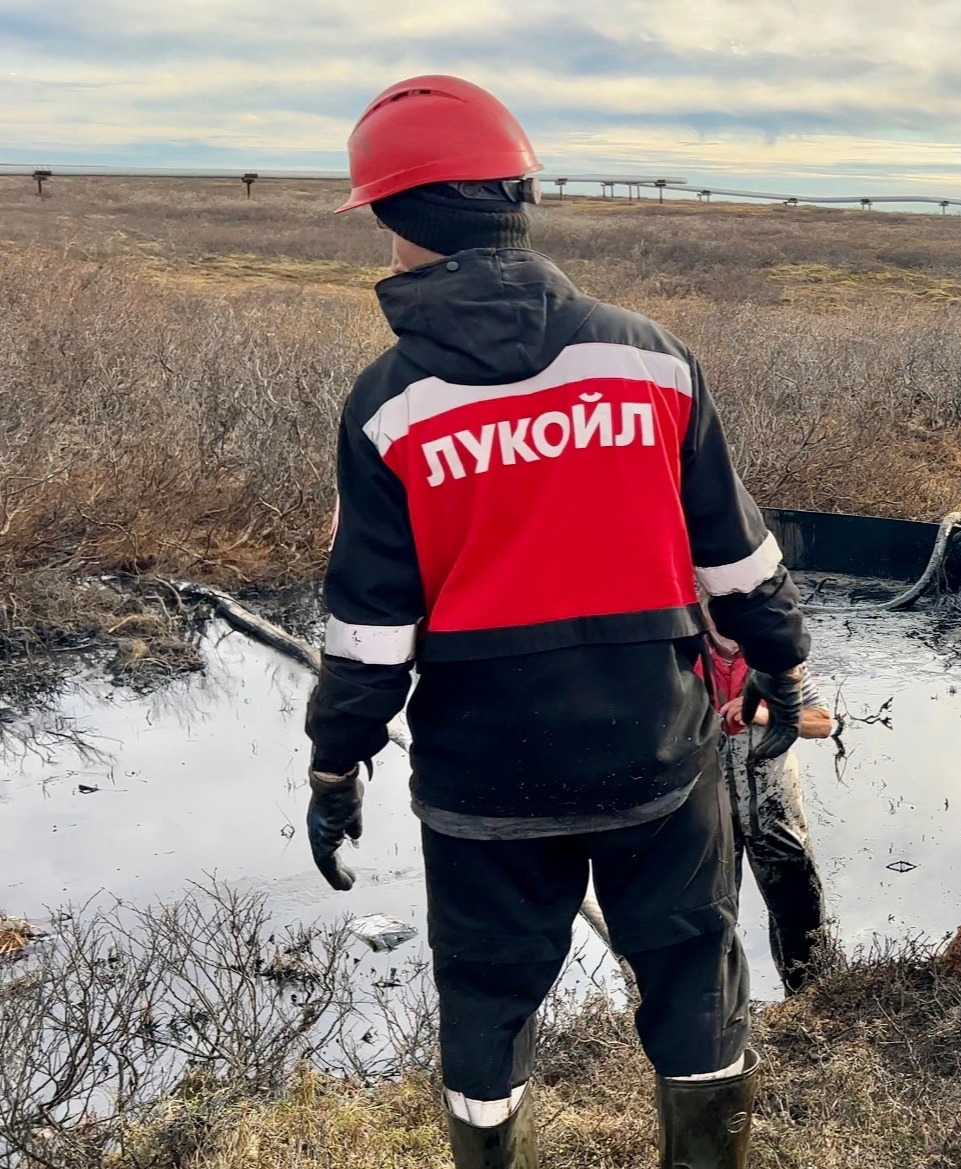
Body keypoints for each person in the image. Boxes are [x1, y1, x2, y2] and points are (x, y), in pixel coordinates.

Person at [302, 75, 810, 1169]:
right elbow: (736, 560)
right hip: (658, 754)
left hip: (482, 778)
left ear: (390, 218)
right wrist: (787, 669)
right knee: (690, 970)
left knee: (485, 1000)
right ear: (516, 200)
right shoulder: (648, 357)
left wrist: (334, 766)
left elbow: (368, 632)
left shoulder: (387, 405)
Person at [700, 611, 835, 995]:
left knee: (800, 917)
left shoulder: (778, 659)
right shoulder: (677, 655)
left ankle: (808, 1005)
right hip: (705, 814)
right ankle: (718, 1015)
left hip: (776, 809)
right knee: (707, 920)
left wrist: (762, 713)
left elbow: (824, 723)